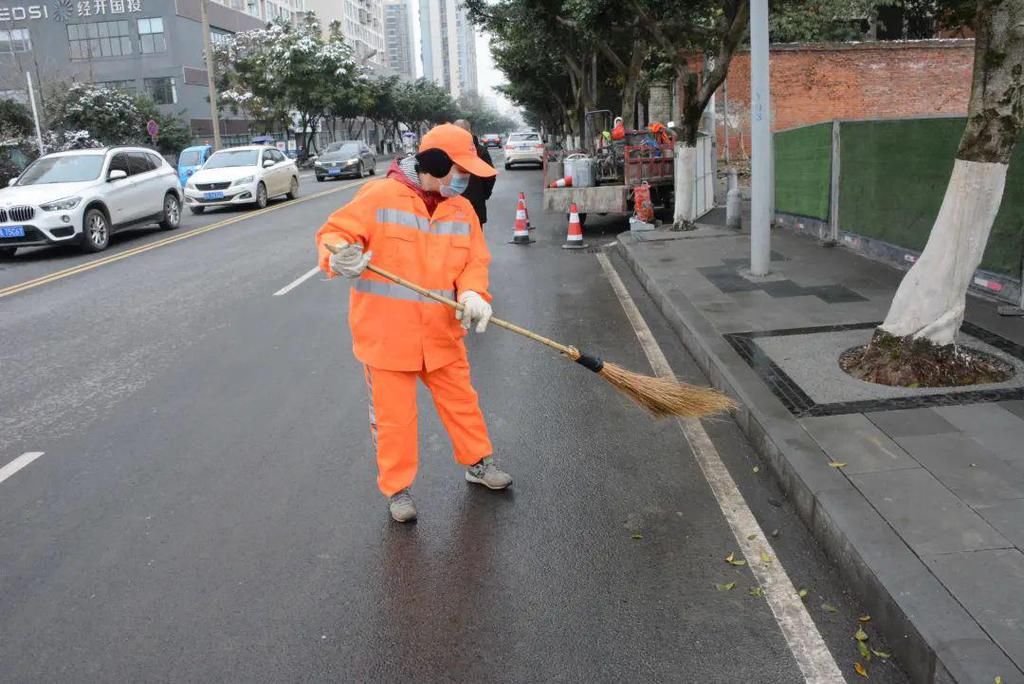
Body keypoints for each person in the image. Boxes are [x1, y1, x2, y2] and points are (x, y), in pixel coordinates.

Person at [315, 123, 512, 523]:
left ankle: (478, 463)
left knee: (462, 402)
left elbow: (474, 261)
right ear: (436, 164)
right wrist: (338, 256)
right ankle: (398, 490)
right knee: (394, 419)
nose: (466, 179)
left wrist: (473, 293)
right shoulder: (380, 196)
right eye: (461, 170)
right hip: (387, 338)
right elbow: (335, 234)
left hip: (441, 332)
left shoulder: (462, 210)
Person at [453, 119, 496, 227]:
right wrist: (483, 194)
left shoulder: (480, 152)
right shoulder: (446, 152)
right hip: (454, 207)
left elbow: (489, 175)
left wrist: (483, 194)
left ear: (469, 131)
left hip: (473, 204)